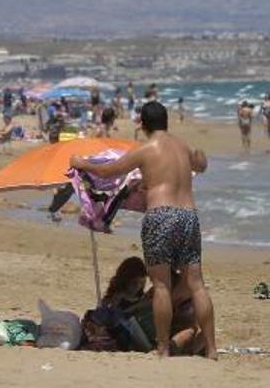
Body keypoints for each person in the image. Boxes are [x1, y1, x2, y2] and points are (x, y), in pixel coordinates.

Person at [71, 101, 217, 360]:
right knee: (197, 284)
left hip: (160, 215)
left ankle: (162, 348)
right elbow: (201, 164)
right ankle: (212, 348)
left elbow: (110, 170)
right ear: (166, 122)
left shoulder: (146, 149)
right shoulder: (182, 146)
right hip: (189, 215)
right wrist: (202, 153)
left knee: (161, 285)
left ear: (144, 124)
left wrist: (82, 163)